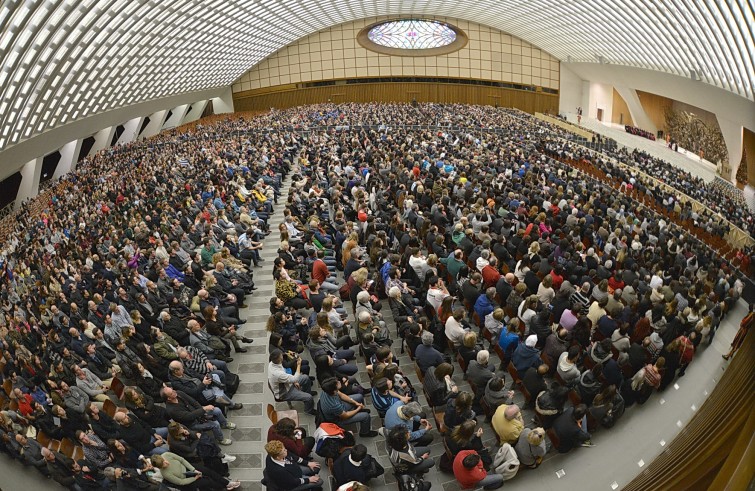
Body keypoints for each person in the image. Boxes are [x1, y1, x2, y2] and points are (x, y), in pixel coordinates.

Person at [151, 452, 241, 490]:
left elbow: (181, 460)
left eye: (164, 461)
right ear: (160, 467)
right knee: (207, 482)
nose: (167, 463)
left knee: (208, 472)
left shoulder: (166, 454)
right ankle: (223, 486)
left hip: (188, 468)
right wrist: (195, 477)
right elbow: (181, 482)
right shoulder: (165, 473)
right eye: (163, 465)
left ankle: (227, 483)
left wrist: (193, 469)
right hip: (186, 479)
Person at [268, 349, 317, 415]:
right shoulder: (277, 373)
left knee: (305, 378)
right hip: (284, 392)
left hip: (286, 383)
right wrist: (299, 364)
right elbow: (294, 378)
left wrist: (293, 381)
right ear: (280, 359)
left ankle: (306, 392)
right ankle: (308, 410)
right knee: (309, 397)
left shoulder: (272, 363)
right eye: (281, 356)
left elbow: (287, 377)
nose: (283, 356)